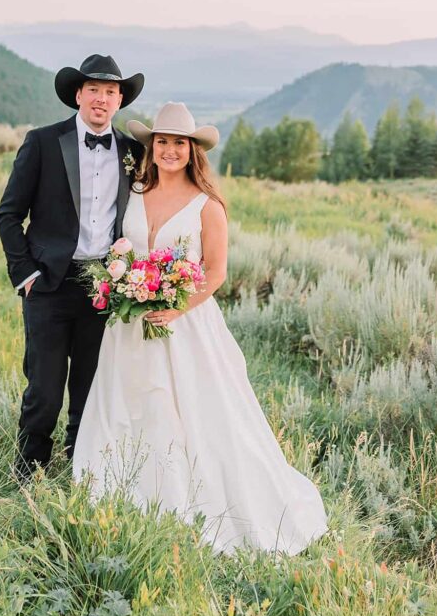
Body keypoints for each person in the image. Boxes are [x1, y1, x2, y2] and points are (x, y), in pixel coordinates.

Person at [73, 102, 328, 555]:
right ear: (152, 146)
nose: (170, 151)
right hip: (129, 327)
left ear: (193, 151)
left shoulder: (207, 206)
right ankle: (124, 491)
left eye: (179, 144)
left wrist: (175, 308)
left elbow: (215, 273)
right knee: (128, 405)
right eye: (163, 142)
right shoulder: (133, 192)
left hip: (185, 326)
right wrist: (122, 282)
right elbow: (120, 248)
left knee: (194, 411)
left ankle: (197, 500)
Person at [0, 54, 145, 482]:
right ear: (78, 95)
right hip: (48, 283)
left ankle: (81, 469)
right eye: (93, 90)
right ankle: (29, 472)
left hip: (104, 285)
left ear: (120, 101)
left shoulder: (132, 152)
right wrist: (26, 274)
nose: (101, 99)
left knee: (90, 386)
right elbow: (9, 214)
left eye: (110, 92)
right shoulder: (43, 142)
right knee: (43, 387)